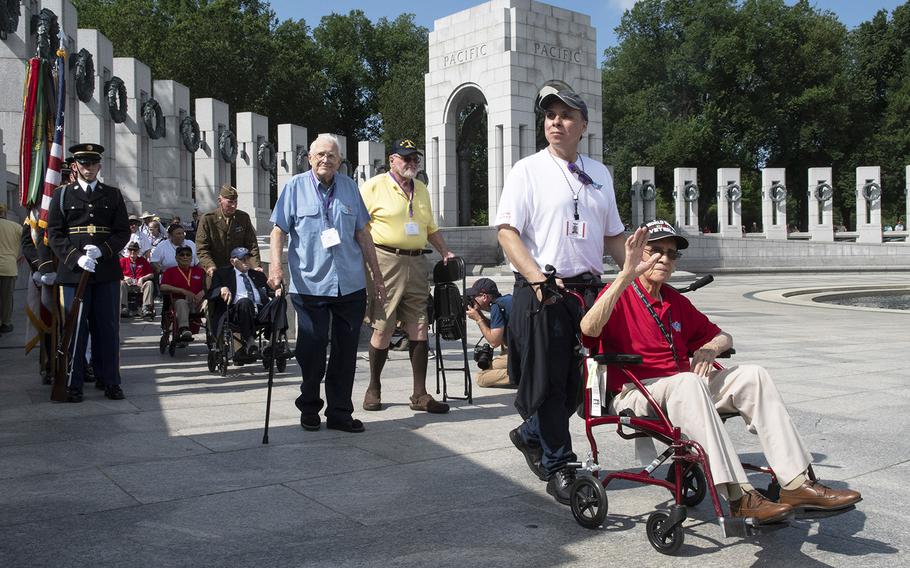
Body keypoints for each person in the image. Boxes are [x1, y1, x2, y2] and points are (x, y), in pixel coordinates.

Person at [580, 219, 862, 523]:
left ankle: (796, 483)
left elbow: (723, 336)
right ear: (637, 253)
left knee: (753, 375)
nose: (664, 258)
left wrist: (710, 348)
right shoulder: (617, 291)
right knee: (687, 381)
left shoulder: (674, 300)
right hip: (634, 392)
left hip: (684, 387)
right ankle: (739, 496)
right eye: (655, 250)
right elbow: (588, 328)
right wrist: (625, 275)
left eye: (671, 253)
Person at [496, 87, 626, 505]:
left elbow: (613, 235)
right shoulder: (526, 171)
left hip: (587, 291)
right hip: (545, 290)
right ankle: (559, 464)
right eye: (549, 115)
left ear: (583, 126)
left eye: (565, 115)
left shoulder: (599, 174)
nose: (555, 121)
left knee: (576, 384)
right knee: (551, 383)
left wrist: (633, 276)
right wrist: (535, 277)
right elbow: (507, 232)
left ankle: (532, 434)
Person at [269, 133, 385, 434]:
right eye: (320, 154)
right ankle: (309, 406)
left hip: (349, 283)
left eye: (332, 155)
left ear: (339, 161)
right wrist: (276, 268)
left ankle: (339, 413)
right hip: (309, 285)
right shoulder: (294, 187)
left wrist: (376, 274)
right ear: (309, 158)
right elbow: (278, 231)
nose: (325, 159)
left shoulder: (349, 188)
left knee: (346, 353)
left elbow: (363, 234)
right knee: (313, 348)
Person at [359, 138, 455, 414]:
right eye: (405, 158)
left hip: (417, 261)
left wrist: (445, 251)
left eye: (415, 159)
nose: (411, 163)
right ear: (392, 160)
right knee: (384, 326)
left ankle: (420, 394)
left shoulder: (422, 189)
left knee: (420, 325)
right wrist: (364, 262)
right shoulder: (374, 186)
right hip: (384, 260)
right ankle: (374, 387)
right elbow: (360, 227)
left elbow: (430, 227)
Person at [46, 143, 130, 402]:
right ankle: (73, 381)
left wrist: (103, 250)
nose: (89, 168)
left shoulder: (113, 195)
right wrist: (76, 258)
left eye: (93, 164)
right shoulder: (62, 196)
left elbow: (123, 232)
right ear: (75, 166)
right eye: (84, 164)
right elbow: (55, 234)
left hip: (105, 271)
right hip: (74, 272)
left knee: (107, 328)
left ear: (99, 166)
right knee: (76, 328)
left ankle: (110, 380)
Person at [210, 247, 286, 362]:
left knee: (280, 300)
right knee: (245, 301)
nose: (246, 261)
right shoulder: (222, 274)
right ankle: (250, 342)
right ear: (232, 261)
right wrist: (221, 288)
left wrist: (277, 291)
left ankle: (273, 344)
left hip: (259, 310)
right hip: (237, 312)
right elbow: (211, 292)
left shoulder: (257, 274)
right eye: (242, 259)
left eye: (248, 258)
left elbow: (268, 291)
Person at [196, 184, 260, 278]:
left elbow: (252, 245)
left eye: (235, 202)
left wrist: (256, 266)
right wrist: (210, 266)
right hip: (216, 271)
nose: (233, 206)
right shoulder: (208, 219)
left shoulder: (243, 218)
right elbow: (202, 248)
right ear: (220, 201)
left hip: (238, 271)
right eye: (230, 202)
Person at [464, 277, 513, 388]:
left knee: (482, 378)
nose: (472, 301)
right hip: (529, 349)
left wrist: (478, 320)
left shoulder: (497, 307)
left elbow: (494, 341)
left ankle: (522, 375)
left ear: (484, 297)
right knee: (493, 365)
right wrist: (479, 313)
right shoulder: (505, 301)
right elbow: (496, 327)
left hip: (523, 353)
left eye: (474, 297)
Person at [160, 244, 206, 342]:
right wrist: (182, 291)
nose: (185, 257)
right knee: (181, 302)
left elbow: (209, 285)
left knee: (209, 304)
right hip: (180, 302)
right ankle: (184, 329)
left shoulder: (200, 271)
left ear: (191, 257)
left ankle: (213, 331)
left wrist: (203, 292)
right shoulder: (170, 271)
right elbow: (163, 286)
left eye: (188, 255)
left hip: (198, 303)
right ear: (176, 258)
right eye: (182, 255)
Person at [0, 202, 22, 334]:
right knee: (7, 299)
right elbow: (29, 240)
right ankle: (5, 324)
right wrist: (20, 258)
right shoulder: (15, 226)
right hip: (9, 267)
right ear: (5, 213)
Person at [119, 241, 155, 318]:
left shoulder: (143, 260)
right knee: (121, 283)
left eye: (135, 250)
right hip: (128, 285)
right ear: (128, 251)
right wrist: (125, 278)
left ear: (138, 251)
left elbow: (151, 274)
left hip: (139, 285)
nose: (133, 252)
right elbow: (116, 273)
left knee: (149, 283)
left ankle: (146, 307)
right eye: (131, 250)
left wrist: (143, 278)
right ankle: (123, 307)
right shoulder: (123, 261)